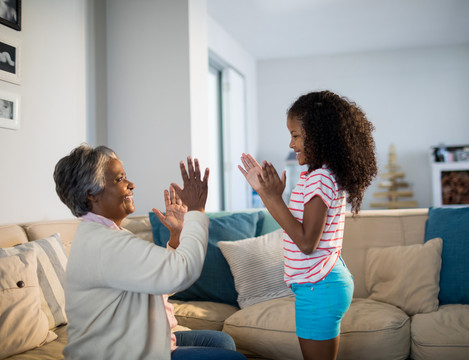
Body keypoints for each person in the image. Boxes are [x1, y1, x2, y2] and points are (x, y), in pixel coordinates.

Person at [54, 144, 246, 360]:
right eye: (119, 179)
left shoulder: (105, 234)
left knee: (222, 342)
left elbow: (157, 282)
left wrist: (176, 236)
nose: (131, 184)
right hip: (119, 353)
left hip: (132, 340)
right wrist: (196, 211)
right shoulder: (105, 243)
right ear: (92, 194)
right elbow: (181, 273)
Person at [238, 90, 377, 360]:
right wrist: (269, 196)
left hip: (320, 287)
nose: (291, 144)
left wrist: (272, 197)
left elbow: (306, 242)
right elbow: (298, 229)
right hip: (321, 284)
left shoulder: (319, 178)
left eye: (296, 135)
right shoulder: (320, 175)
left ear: (319, 135)